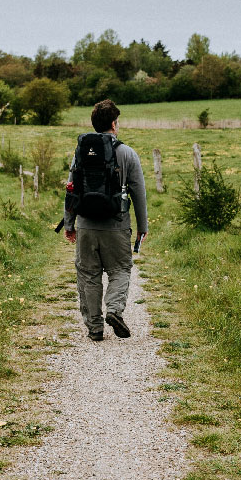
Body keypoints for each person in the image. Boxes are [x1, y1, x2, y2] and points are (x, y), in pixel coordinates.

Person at [63, 99, 148, 341]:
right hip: (117, 226)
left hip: (86, 225)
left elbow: (71, 189)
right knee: (120, 269)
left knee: (88, 275)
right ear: (113, 123)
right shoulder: (128, 153)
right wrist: (143, 227)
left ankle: (95, 328)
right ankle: (114, 310)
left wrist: (69, 224)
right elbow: (138, 193)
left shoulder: (80, 151)